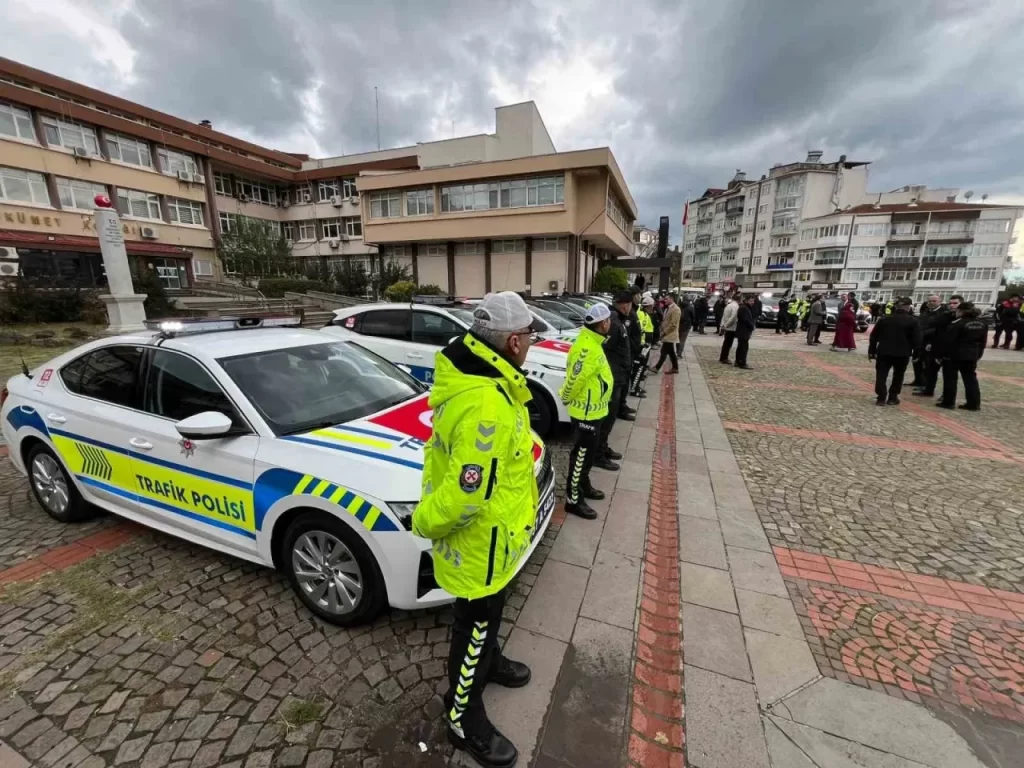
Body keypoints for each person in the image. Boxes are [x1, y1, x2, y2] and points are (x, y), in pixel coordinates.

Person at [412, 291, 536, 767]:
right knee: (474, 623)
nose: (531, 341)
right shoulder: (486, 401)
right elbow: (466, 496)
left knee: (488, 617)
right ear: (510, 341)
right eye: (527, 333)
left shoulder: (490, 377)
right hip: (479, 543)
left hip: (496, 538)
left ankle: (489, 661)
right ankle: (463, 717)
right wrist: (424, 521)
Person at [560, 303, 615, 519]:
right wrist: (565, 398)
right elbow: (574, 381)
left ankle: (585, 485)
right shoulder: (586, 348)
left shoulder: (594, 342)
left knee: (588, 455)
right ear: (602, 324)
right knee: (580, 457)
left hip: (595, 412)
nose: (610, 323)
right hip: (585, 415)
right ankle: (573, 500)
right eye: (608, 320)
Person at [597, 291, 634, 471]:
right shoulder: (612, 322)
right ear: (625, 305)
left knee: (610, 418)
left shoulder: (617, 319)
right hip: (613, 376)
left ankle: (602, 447)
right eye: (629, 305)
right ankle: (598, 454)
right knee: (607, 419)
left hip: (618, 375)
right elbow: (605, 351)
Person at [868, 298, 921, 406]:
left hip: (884, 352)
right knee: (898, 375)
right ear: (908, 307)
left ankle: (881, 397)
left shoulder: (884, 319)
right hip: (903, 353)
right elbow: (917, 339)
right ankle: (893, 397)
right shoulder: (913, 321)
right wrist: (917, 353)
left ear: (896, 306)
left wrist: (872, 351)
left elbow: (874, 337)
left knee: (881, 375)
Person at [936, 302, 987, 411]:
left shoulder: (958, 323)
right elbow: (983, 342)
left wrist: (941, 355)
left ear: (961, 311)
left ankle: (948, 402)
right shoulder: (982, 323)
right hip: (972, 355)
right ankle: (974, 404)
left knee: (950, 379)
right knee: (971, 379)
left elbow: (948, 341)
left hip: (954, 355)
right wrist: (978, 354)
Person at [913, 295, 961, 398]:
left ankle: (947, 396)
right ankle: (928, 389)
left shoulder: (957, 317)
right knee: (930, 369)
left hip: (949, 349)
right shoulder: (943, 315)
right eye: (951, 303)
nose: (952, 305)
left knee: (949, 374)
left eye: (955, 303)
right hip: (933, 345)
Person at [911, 295, 947, 388]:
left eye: (934, 301)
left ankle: (927, 385)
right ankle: (918, 380)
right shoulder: (925, 312)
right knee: (917, 361)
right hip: (920, 340)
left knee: (928, 364)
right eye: (930, 301)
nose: (931, 303)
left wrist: (925, 333)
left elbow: (939, 329)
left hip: (931, 341)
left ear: (940, 302)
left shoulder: (943, 314)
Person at [630, 296, 655, 397]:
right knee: (639, 367)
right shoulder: (641, 314)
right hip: (642, 346)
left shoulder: (644, 314)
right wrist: (642, 344)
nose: (652, 308)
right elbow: (640, 331)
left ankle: (636, 386)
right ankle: (634, 389)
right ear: (648, 306)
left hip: (645, 345)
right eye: (652, 306)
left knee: (641, 367)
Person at [650, 292, 681, 374]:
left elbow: (673, 324)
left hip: (670, 335)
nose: (665, 300)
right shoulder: (668, 308)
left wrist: (664, 332)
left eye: (667, 299)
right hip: (667, 334)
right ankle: (675, 368)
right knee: (671, 352)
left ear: (672, 299)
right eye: (665, 298)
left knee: (663, 352)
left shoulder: (676, 309)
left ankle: (656, 368)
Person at [735, 294, 757, 369]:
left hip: (743, 331)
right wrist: (752, 326)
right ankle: (741, 362)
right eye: (751, 301)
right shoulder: (744, 308)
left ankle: (738, 361)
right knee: (743, 347)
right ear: (746, 301)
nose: (752, 302)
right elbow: (745, 320)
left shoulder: (745, 308)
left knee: (741, 347)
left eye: (753, 301)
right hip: (743, 331)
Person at [719, 294, 741, 364]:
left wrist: (722, 325)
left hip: (727, 326)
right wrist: (726, 325)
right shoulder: (735, 306)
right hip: (731, 327)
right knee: (728, 344)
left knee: (726, 343)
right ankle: (724, 358)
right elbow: (733, 318)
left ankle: (723, 357)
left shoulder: (728, 305)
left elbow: (724, 316)